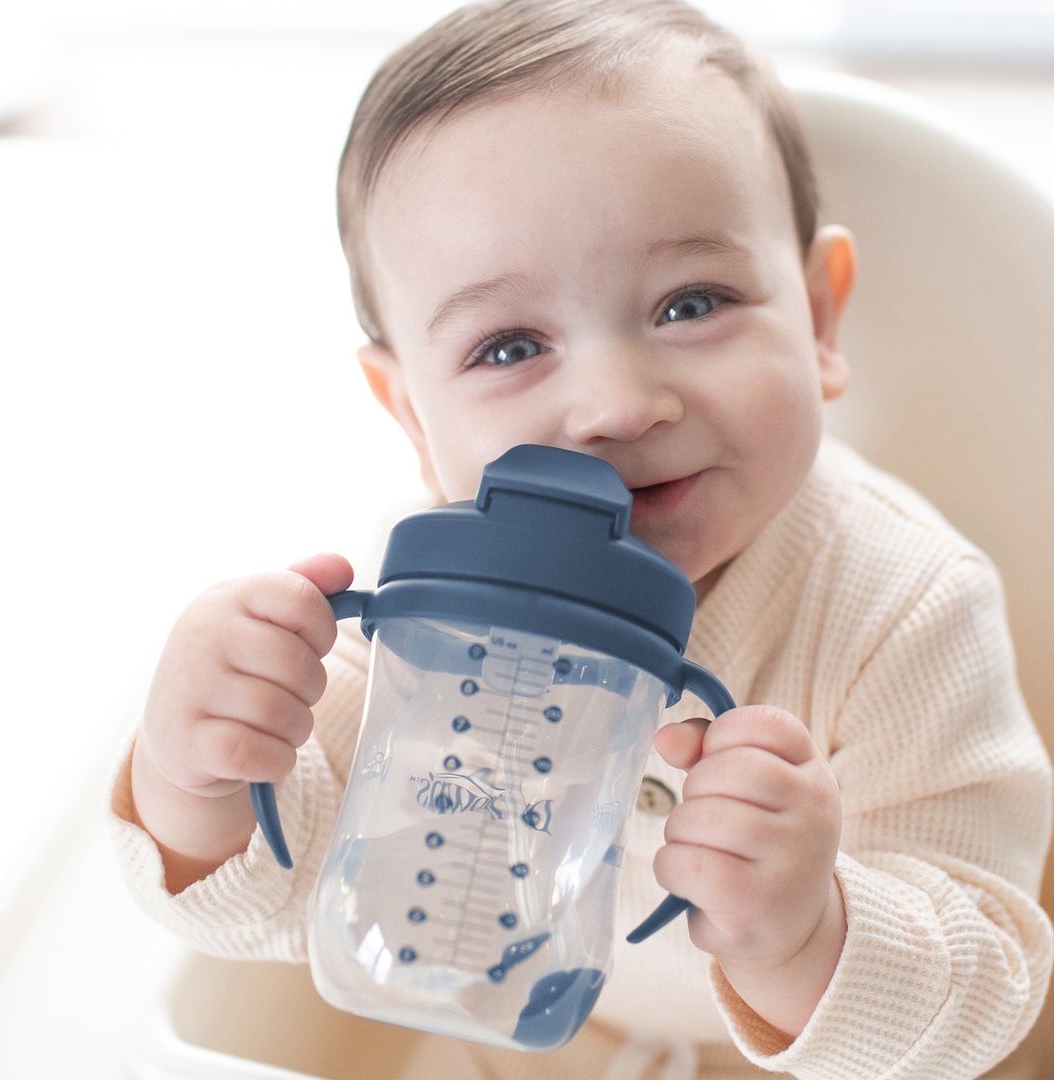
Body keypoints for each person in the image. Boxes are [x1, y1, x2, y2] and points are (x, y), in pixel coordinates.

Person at [109, 1, 1053, 1077]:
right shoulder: (435, 599)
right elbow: (278, 914)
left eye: (690, 303)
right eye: (510, 345)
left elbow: (994, 991)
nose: (614, 405)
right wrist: (202, 777)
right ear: (414, 416)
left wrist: (809, 933)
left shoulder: (904, 607)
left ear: (822, 321)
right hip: (535, 1045)